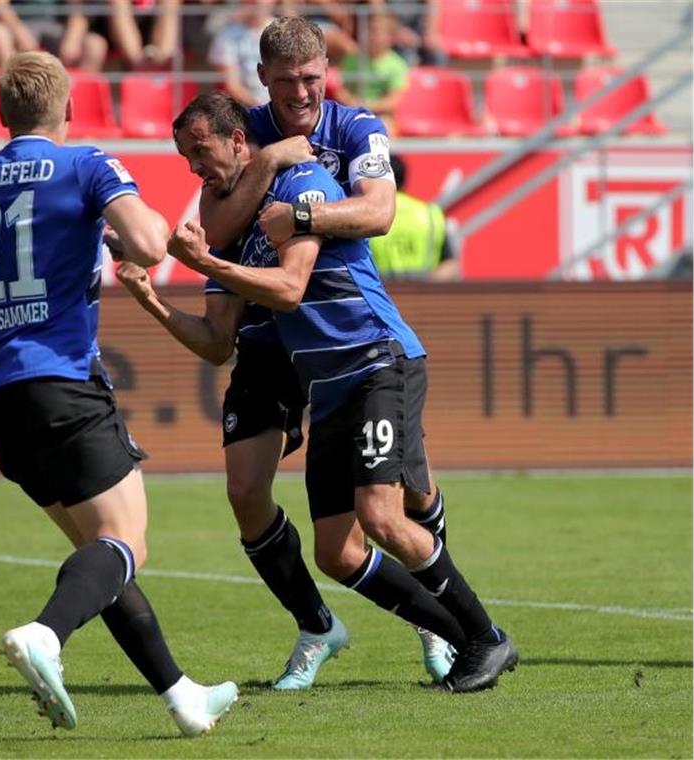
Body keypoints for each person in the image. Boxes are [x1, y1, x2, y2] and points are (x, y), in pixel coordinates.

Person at [0, 51, 239, 736]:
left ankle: (181, 694)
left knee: (101, 553)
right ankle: (46, 634)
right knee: (126, 540)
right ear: (68, 111)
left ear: (1, 117)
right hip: (61, 381)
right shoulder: (86, 164)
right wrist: (119, 230)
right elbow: (149, 243)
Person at [169, 91, 519, 694]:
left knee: (382, 515)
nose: (195, 167)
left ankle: (484, 636)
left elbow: (289, 288)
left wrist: (206, 263)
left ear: (237, 142)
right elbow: (221, 284)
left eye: (200, 151)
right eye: (184, 157)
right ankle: (462, 639)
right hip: (327, 386)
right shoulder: (238, 215)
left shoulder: (302, 184)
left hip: (375, 359)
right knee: (335, 551)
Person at [196, 14, 458, 682]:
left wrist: (303, 213)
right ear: (263, 79)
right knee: (244, 490)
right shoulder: (242, 133)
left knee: (403, 494)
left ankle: (442, 624)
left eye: (312, 78)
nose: (302, 93)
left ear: (325, 72)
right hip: (265, 329)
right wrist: (274, 161)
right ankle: (317, 626)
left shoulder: (357, 127)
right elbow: (218, 227)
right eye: (287, 82)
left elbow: (379, 212)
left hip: (341, 332)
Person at [369, 154, 460, 281]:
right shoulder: (430, 214)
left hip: (381, 293)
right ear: (404, 180)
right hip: (422, 296)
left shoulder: (367, 214)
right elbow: (450, 266)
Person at [0, 0, 108, 72]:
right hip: (20, 25)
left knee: (95, 45)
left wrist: (73, 38)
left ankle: (78, 105)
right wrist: (19, 31)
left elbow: (77, 8)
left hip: (57, 28)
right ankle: (13, 97)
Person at [335, 9, 410, 121]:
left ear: (391, 37)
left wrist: (367, 107)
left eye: (375, 31)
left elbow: (393, 100)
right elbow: (342, 90)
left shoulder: (397, 64)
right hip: (352, 112)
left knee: (383, 127)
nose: (370, 34)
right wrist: (351, 102)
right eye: (368, 29)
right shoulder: (352, 59)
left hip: (381, 115)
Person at [208, 0, 278, 107]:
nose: (257, 2)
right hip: (245, 110)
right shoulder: (226, 35)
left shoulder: (283, 31)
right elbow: (233, 86)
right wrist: (263, 108)